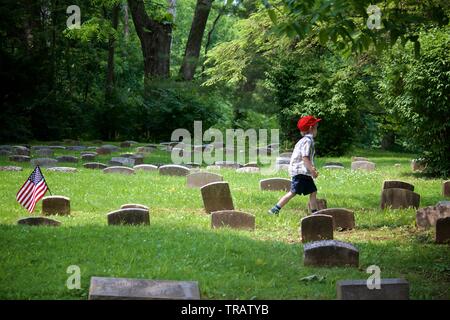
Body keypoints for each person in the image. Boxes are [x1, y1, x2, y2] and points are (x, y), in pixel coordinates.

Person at [268, 115, 321, 215]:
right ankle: (275, 209)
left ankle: (314, 213)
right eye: (316, 127)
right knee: (293, 192)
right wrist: (312, 170)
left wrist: (311, 169)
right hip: (301, 172)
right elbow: (305, 157)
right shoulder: (308, 141)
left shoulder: (303, 141)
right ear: (311, 128)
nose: (316, 130)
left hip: (302, 172)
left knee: (313, 191)